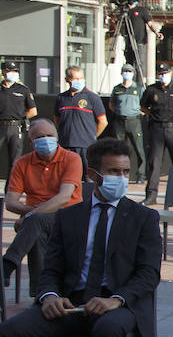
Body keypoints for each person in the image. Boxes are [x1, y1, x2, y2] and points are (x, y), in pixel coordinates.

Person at [0, 137, 158, 337]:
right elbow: (50, 268)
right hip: (70, 304)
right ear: (92, 175)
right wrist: (48, 296)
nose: (121, 179)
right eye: (113, 171)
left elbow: (148, 274)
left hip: (116, 305)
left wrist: (117, 299)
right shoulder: (69, 216)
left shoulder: (143, 217)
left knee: (109, 330)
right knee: (9, 334)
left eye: (126, 172)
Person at [2, 119, 84, 291]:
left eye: (50, 135)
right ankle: (44, 293)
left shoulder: (72, 159)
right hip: (39, 223)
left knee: (35, 221)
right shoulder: (22, 163)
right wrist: (32, 213)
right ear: (30, 141)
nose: (46, 139)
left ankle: (7, 265)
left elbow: (63, 198)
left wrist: (28, 216)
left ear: (57, 137)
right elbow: (10, 202)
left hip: (70, 217)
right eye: (40, 136)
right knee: (37, 230)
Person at [139, 63, 173, 205]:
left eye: (165, 73)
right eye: (160, 74)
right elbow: (143, 107)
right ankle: (151, 195)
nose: (162, 76)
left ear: (170, 73)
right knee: (154, 163)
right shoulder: (151, 90)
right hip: (157, 128)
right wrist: (154, 115)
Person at [54, 66, 106, 166]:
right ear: (67, 80)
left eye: (81, 78)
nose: (79, 81)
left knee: (88, 177)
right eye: (76, 79)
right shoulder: (61, 98)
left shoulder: (92, 97)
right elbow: (57, 119)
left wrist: (92, 136)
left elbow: (103, 122)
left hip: (86, 146)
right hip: (65, 145)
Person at [104, 65, 145, 183]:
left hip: (134, 121)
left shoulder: (138, 88)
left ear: (133, 73)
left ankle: (141, 175)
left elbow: (144, 104)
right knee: (118, 149)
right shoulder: (117, 88)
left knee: (139, 149)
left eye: (129, 71)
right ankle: (118, 173)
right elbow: (111, 104)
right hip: (119, 121)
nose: (127, 73)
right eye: (124, 71)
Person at [0, 61, 38, 182]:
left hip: (16, 127)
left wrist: (20, 118)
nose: (13, 73)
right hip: (0, 126)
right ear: (3, 72)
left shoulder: (23, 90)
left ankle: (10, 190)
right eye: (10, 71)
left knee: (15, 160)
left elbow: (33, 111)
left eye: (15, 71)